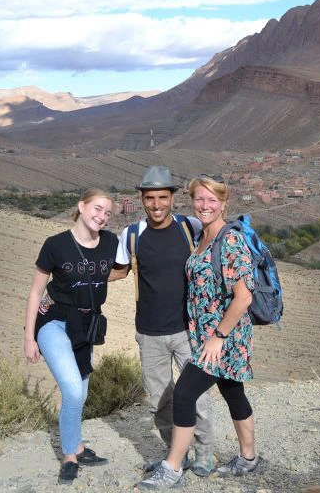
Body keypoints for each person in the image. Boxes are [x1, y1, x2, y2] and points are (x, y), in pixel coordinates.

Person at [138, 174, 261, 490]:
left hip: (223, 338)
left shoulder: (229, 240)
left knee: (185, 392)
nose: (205, 205)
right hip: (209, 334)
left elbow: (243, 296)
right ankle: (248, 457)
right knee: (233, 392)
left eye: (212, 200)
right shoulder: (203, 235)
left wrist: (218, 338)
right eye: (200, 199)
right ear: (192, 201)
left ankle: (173, 467)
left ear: (224, 203)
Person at [112, 166, 215, 476]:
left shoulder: (191, 227)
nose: (156, 205)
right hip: (149, 332)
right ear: (141, 199)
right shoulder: (131, 235)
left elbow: (217, 240)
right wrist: (74, 273)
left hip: (188, 331)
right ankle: (177, 454)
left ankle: (205, 453)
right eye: (150, 198)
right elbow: (118, 270)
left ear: (173, 198)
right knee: (160, 400)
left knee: (197, 396)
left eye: (162, 197)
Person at [23, 188, 119, 485]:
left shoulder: (111, 242)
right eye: (97, 209)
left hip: (86, 325)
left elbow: (117, 270)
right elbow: (36, 292)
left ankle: (77, 445)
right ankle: (69, 457)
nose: (102, 217)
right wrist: (29, 337)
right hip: (53, 322)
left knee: (82, 391)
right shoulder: (55, 245)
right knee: (74, 391)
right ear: (82, 206)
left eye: (107, 213)